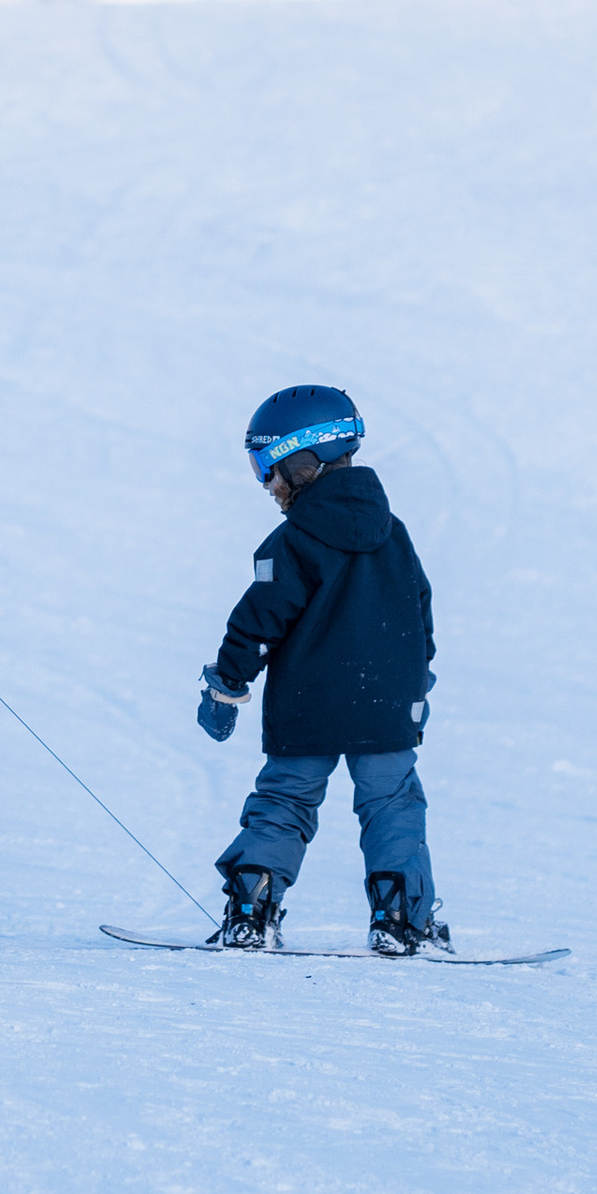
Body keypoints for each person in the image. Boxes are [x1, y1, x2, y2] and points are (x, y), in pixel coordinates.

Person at [194, 382, 446, 955]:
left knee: (284, 801)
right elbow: (419, 611)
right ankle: (400, 919)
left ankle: (251, 910)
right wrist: (418, 680)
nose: (266, 484)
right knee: (392, 803)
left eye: (270, 467)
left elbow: (256, 621)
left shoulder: (290, 542)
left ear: (310, 462)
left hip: (306, 704)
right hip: (384, 705)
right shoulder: (396, 536)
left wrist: (227, 685)